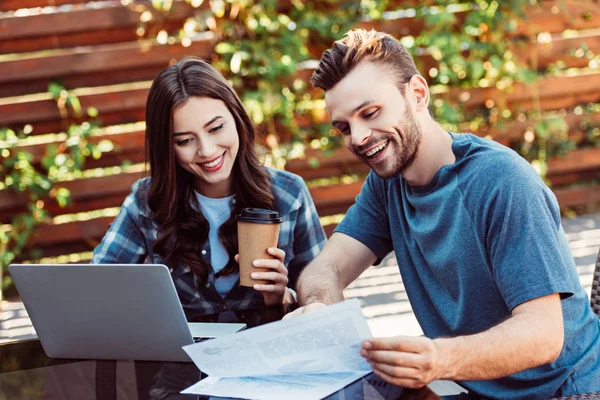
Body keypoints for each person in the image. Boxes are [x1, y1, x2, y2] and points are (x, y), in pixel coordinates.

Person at [287, 29, 600, 398]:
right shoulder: (387, 184)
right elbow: (327, 268)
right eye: (343, 127)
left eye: (370, 113)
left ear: (417, 94)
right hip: (481, 388)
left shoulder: (501, 182)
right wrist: (320, 307)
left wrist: (438, 358)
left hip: (568, 390)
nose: (357, 137)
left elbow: (544, 336)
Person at [92, 57, 326, 321]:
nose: (207, 150)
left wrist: (282, 296)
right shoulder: (147, 202)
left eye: (216, 128)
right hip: (183, 356)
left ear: (236, 118)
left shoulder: (288, 193)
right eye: (185, 140)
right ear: (167, 147)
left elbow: (320, 292)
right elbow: (97, 287)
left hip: (267, 351)